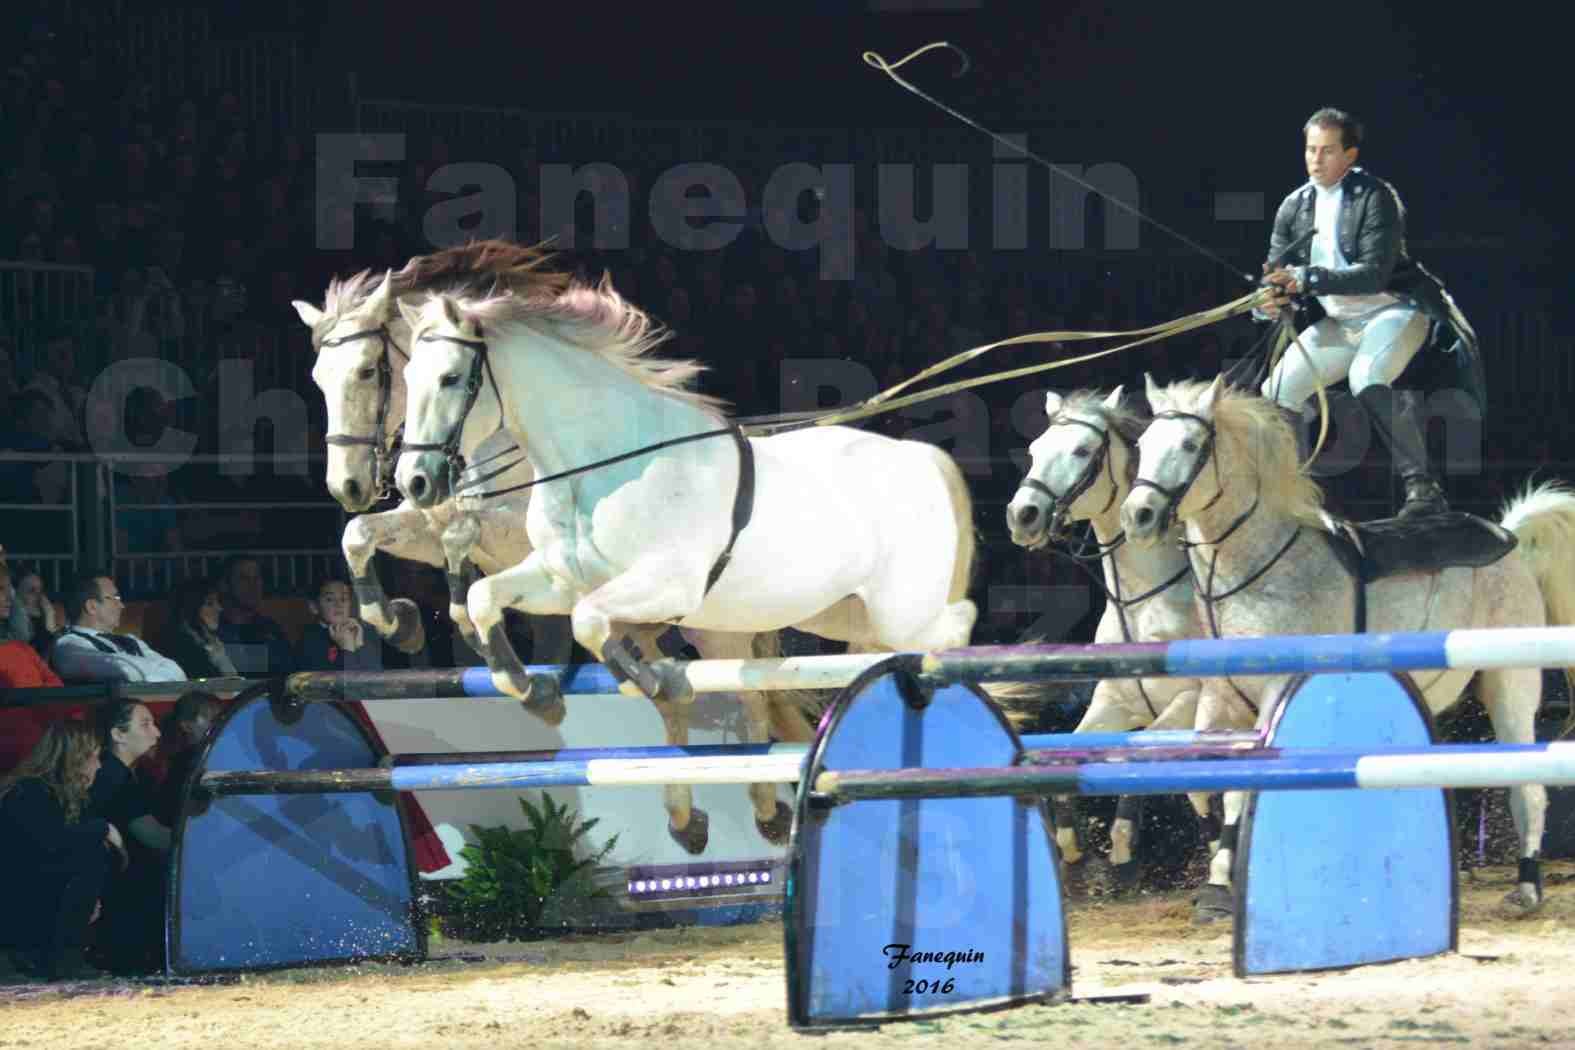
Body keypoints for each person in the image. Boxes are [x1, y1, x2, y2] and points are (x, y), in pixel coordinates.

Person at [1257, 107, 1483, 520]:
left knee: (1366, 376)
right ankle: (1290, 490)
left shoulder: (1376, 197)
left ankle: (1423, 488)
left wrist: (1306, 279)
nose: (1315, 160)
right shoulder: (1294, 206)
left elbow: (1373, 274)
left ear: (1350, 156)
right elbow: (1274, 271)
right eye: (1310, 150)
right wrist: (1270, 301)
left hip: (1393, 311)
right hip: (1341, 322)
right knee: (1276, 391)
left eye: (1327, 151)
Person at [0, 721, 122, 980]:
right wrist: (103, 829)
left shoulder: (59, 796)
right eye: (94, 757)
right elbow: (48, 843)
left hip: (32, 904)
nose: (99, 766)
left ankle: (65, 955)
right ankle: (58, 958)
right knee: (89, 852)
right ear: (75, 759)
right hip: (17, 908)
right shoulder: (28, 792)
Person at [86, 700, 170, 974]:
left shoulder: (126, 774)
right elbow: (155, 838)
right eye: (145, 724)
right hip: (118, 892)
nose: (156, 733)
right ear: (118, 735)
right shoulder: (114, 778)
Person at [49, 571, 188, 683]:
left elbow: (177, 672)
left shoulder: (131, 639)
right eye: (115, 598)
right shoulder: (68, 644)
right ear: (91, 606)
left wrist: (144, 677)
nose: (121, 606)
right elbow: (124, 671)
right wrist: (157, 673)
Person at [155, 577, 237, 680]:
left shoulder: (216, 642)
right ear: (192, 608)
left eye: (218, 602)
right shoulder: (181, 647)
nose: (219, 608)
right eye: (209, 604)